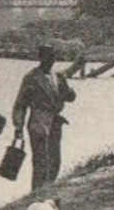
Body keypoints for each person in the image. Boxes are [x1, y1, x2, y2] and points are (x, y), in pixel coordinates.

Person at [11, 45, 77, 190]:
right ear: (41, 58)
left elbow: (71, 98)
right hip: (38, 121)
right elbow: (20, 104)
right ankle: (37, 193)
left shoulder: (57, 76)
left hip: (55, 121)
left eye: (53, 57)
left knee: (55, 161)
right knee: (41, 162)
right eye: (48, 57)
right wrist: (18, 127)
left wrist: (66, 87)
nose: (51, 61)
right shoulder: (31, 78)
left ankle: (49, 189)